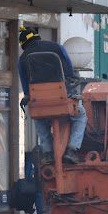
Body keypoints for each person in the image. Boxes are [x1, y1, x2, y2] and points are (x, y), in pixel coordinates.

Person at [17, 26, 87, 165]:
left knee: (39, 120)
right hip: (62, 97)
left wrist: (29, 96)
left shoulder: (23, 59)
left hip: (41, 101)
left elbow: (26, 86)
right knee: (80, 116)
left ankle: (48, 153)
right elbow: (69, 69)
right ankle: (72, 150)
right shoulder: (57, 47)